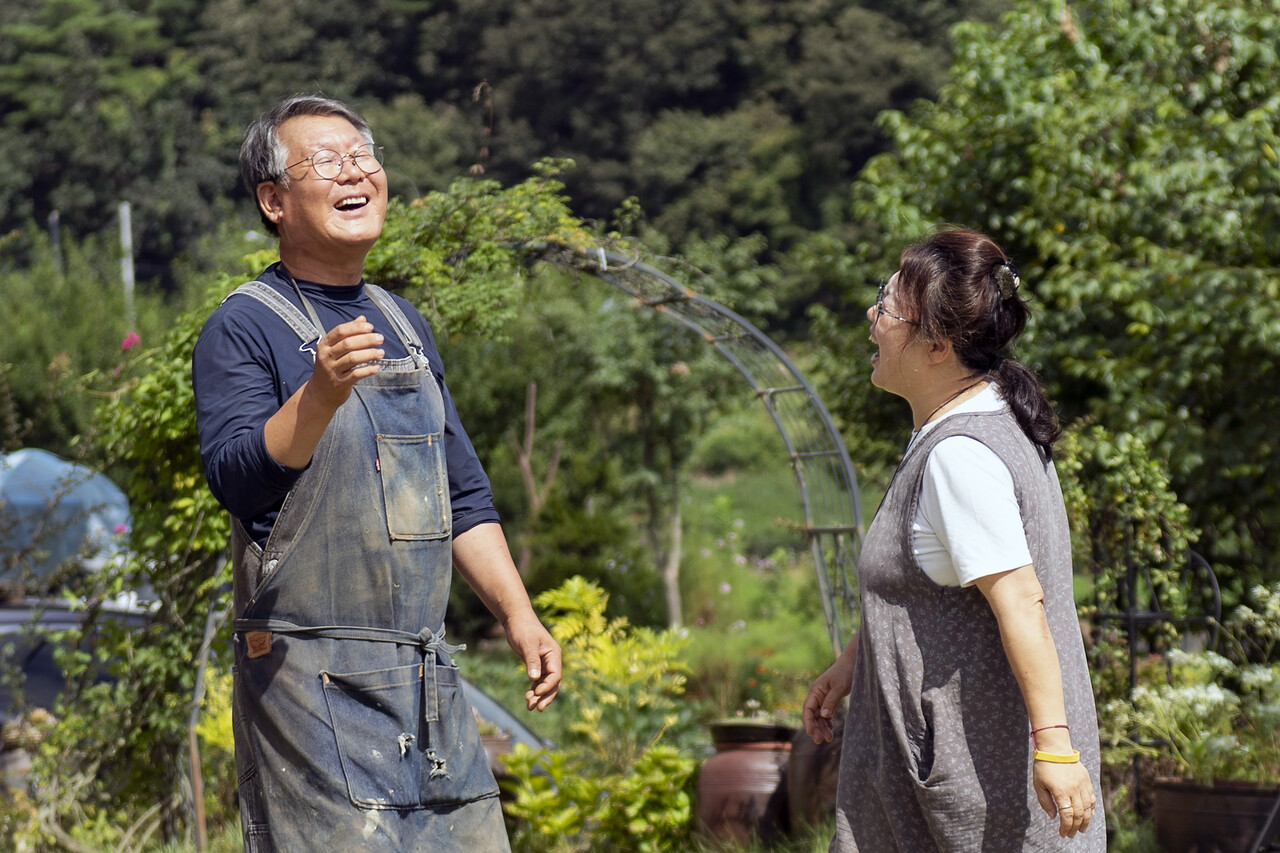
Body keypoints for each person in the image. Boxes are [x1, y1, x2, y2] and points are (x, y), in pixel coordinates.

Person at [192, 94, 561, 852]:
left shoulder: (402, 322)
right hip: (306, 681)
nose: (355, 171)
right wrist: (318, 396)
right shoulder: (245, 324)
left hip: (423, 677)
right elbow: (236, 479)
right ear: (274, 201)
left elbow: (459, 493)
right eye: (325, 161)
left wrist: (519, 616)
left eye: (363, 155)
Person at [802, 228, 1103, 851]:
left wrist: (1055, 747)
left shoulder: (960, 454)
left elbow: (1021, 600)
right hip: (964, 766)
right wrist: (855, 660)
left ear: (937, 346)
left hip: (974, 775)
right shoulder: (988, 419)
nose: (871, 318)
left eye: (886, 308)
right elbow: (930, 578)